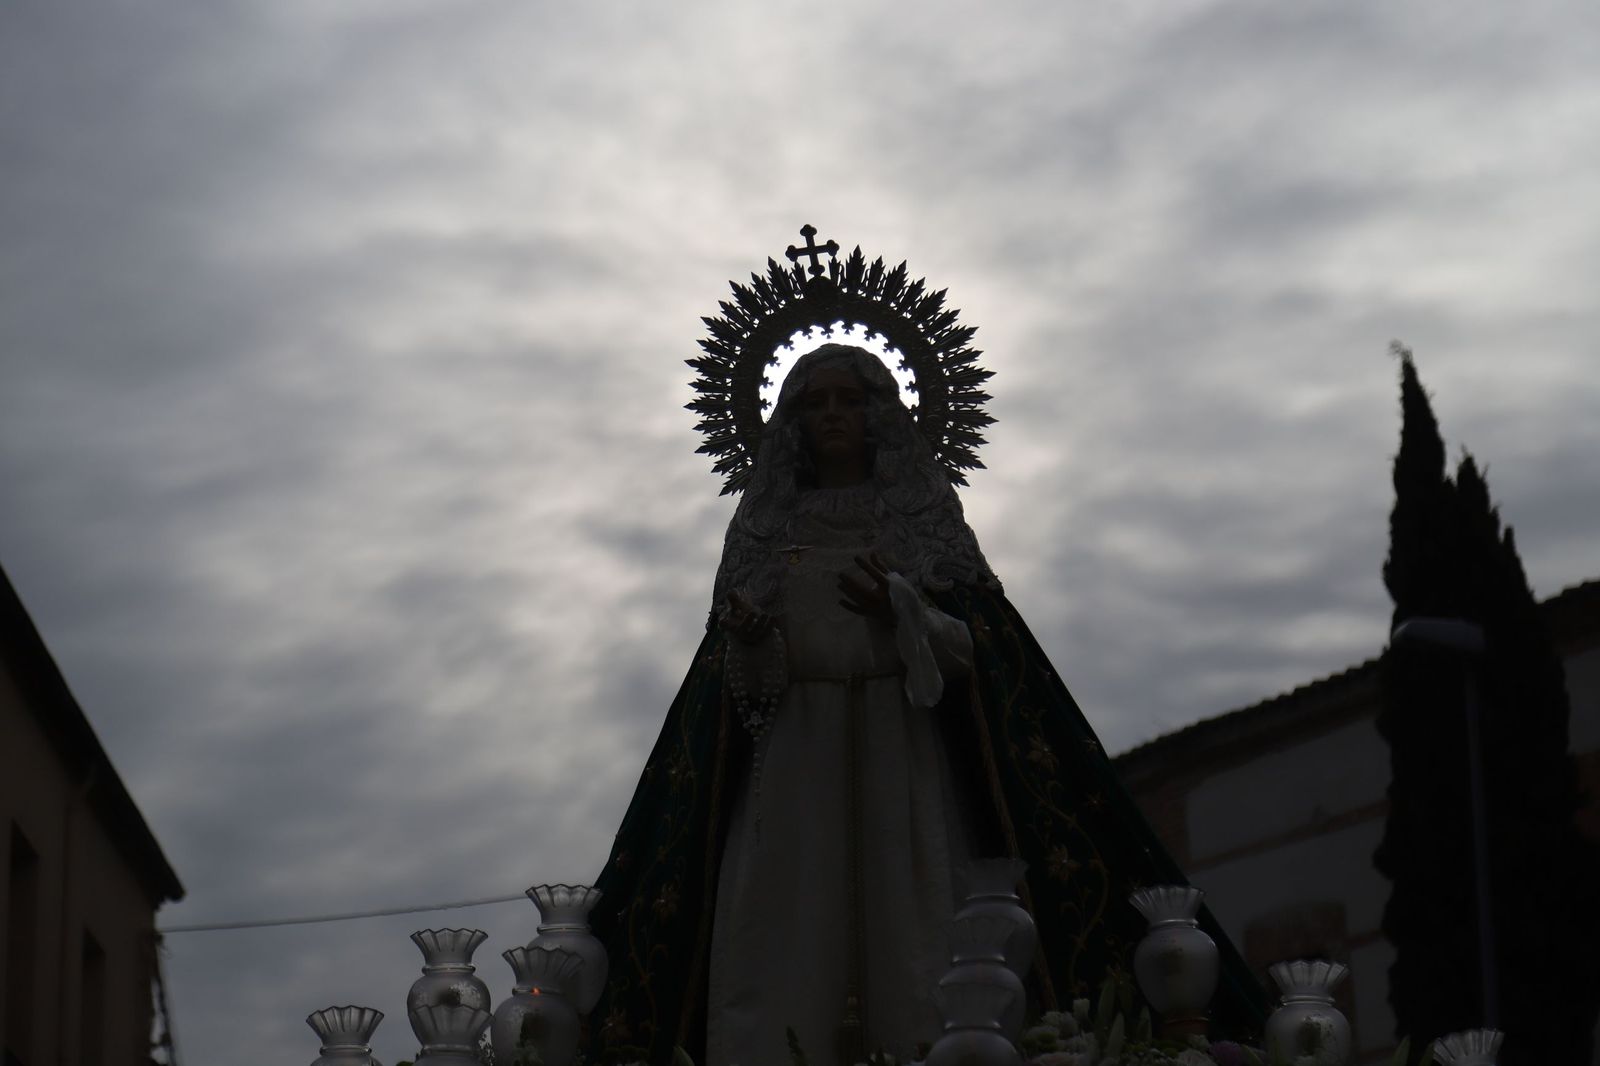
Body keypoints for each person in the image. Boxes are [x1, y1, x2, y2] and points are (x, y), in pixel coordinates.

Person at [586, 345, 1266, 1066]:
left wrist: (902, 608)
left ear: (880, 412)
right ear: (791, 422)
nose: (833, 416)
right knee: (783, 927)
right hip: (789, 767)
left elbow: (975, 653)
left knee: (914, 924)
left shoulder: (921, 519)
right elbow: (740, 695)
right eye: (815, 405)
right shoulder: (764, 531)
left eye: (849, 400)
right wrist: (751, 642)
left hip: (902, 750)